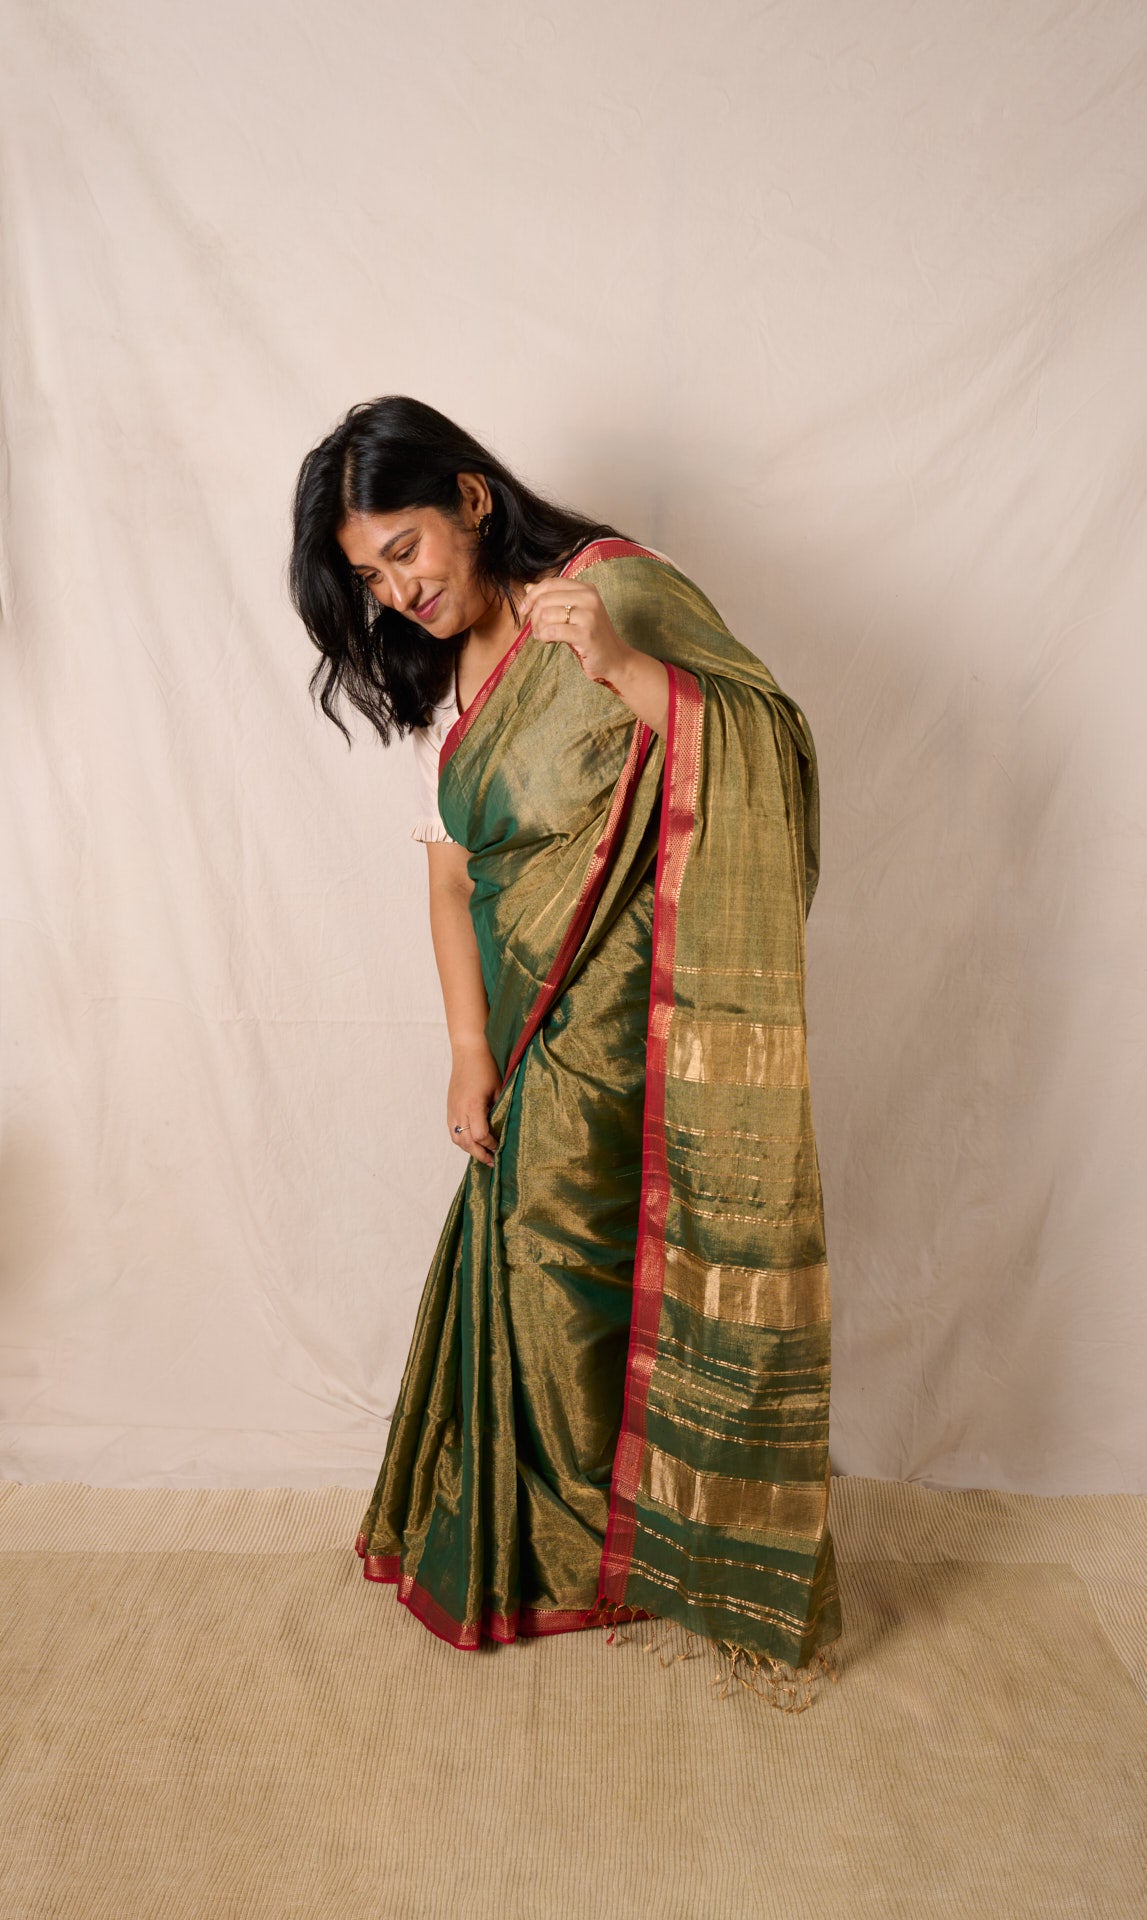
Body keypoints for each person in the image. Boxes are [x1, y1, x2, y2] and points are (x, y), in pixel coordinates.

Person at [289, 395, 842, 1710]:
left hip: (642, 1019)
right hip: (525, 1031)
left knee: (615, 1267)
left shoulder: (612, 600)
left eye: (406, 551)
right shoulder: (450, 683)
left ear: (473, 498)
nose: (397, 593)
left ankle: (653, 1546)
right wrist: (467, 1048)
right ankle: (551, 1553)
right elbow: (449, 883)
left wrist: (622, 671)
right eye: (369, 578)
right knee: (534, 1277)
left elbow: (764, 751)